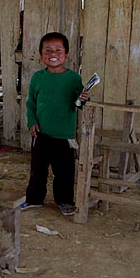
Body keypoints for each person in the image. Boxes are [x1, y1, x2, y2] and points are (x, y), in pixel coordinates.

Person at [20, 32, 90, 216]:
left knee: (64, 171)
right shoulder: (37, 78)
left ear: (66, 54)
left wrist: (84, 98)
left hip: (64, 134)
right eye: (47, 50)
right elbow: (31, 104)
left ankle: (65, 201)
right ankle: (34, 199)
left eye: (58, 50)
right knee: (37, 169)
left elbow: (79, 103)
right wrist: (32, 122)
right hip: (41, 133)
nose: (53, 53)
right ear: (41, 54)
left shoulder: (74, 78)